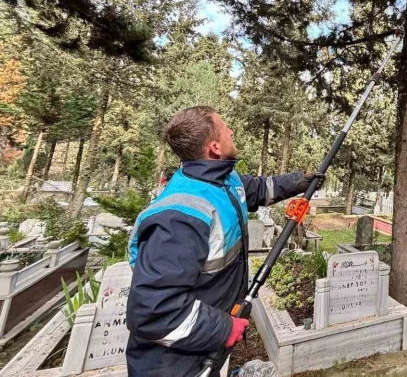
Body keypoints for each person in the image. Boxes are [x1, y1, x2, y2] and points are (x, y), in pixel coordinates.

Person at [126, 106, 322, 376]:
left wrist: (299, 181)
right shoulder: (179, 218)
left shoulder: (222, 179)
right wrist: (225, 328)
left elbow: (255, 189)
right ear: (215, 147)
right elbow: (155, 311)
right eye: (225, 127)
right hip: (172, 363)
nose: (231, 130)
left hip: (202, 345)